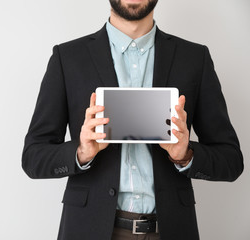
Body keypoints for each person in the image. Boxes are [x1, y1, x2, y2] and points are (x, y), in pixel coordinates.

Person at [22, 0, 244, 239]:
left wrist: (186, 155)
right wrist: (81, 152)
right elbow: (33, 157)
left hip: (171, 229)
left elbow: (231, 161)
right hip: (89, 229)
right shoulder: (67, 57)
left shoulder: (194, 58)